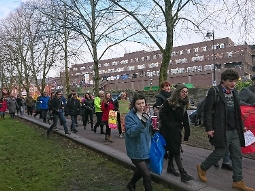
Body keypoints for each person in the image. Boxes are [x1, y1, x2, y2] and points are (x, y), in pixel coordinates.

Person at [197, 69, 254, 191]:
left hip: (234, 129)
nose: (233, 84)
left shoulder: (234, 91)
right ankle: (202, 167)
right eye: (230, 81)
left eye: (234, 81)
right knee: (220, 152)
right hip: (221, 129)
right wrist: (209, 128)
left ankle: (238, 181)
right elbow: (207, 111)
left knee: (237, 155)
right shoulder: (215, 91)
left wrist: (241, 125)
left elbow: (236, 110)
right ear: (223, 80)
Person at [159, 84, 194, 182]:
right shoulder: (170, 102)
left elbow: (185, 118)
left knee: (173, 149)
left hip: (177, 130)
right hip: (168, 130)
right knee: (176, 150)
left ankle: (170, 167)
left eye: (186, 92)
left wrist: (187, 132)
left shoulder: (184, 103)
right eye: (183, 91)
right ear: (178, 92)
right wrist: (169, 124)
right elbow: (162, 113)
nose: (185, 94)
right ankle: (182, 173)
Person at [124, 93, 152, 191]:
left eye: (143, 103)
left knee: (141, 171)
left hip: (146, 148)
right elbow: (132, 132)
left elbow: (148, 130)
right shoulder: (129, 116)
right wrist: (143, 121)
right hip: (135, 150)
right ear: (134, 105)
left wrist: (155, 127)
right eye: (138, 104)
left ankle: (131, 184)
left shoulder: (146, 114)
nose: (141, 106)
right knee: (147, 175)